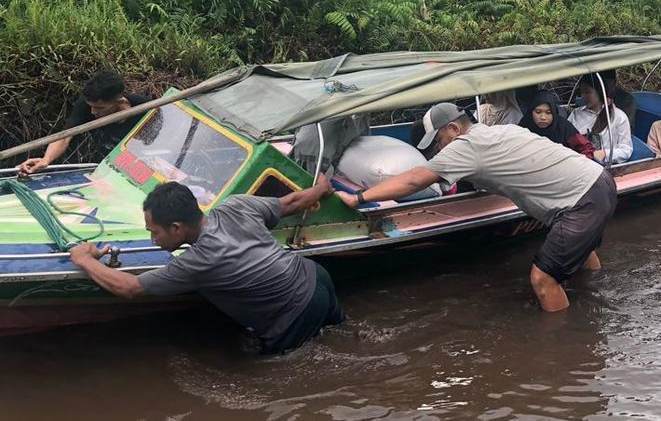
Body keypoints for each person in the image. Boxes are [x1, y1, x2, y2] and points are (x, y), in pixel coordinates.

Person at [338, 102, 617, 312]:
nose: (438, 150)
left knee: (543, 279)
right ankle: (595, 293)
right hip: (598, 181)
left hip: (581, 201)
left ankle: (566, 348)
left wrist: (359, 198)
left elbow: (413, 179)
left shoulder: (465, 146)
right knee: (580, 250)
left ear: (454, 129)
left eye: (437, 142)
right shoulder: (500, 131)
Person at [69, 178, 343, 354]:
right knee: (341, 335)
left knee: (280, 372)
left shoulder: (197, 262)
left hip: (294, 311)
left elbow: (130, 288)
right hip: (315, 276)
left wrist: (83, 259)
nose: (152, 240)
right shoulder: (235, 205)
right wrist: (321, 187)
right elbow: (291, 202)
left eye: (154, 232)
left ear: (177, 228)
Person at [17, 70, 151, 175]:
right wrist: (46, 159)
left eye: (100, 108)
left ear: (120, 101)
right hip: (108, 168)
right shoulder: (87, 105)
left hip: (141, 169)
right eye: (91, 106)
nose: (93, 112)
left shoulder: (146, 107)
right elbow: (65, 136)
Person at [568, 75, 633, 164]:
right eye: (581, 93)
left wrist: (604, 153)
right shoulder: (576, 114)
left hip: (605, 166)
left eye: (587, 92)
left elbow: (626, 150)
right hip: (578, 163)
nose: (583, 96)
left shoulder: (618, 117)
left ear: (599, 92)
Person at [518, 90, 596, 158]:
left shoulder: (563, 127)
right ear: (531, 112)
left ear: (554, 113)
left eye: (548, 112)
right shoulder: (524, 127)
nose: (543, 117)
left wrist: (578, 165)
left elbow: (586, 147)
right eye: (538, 112)